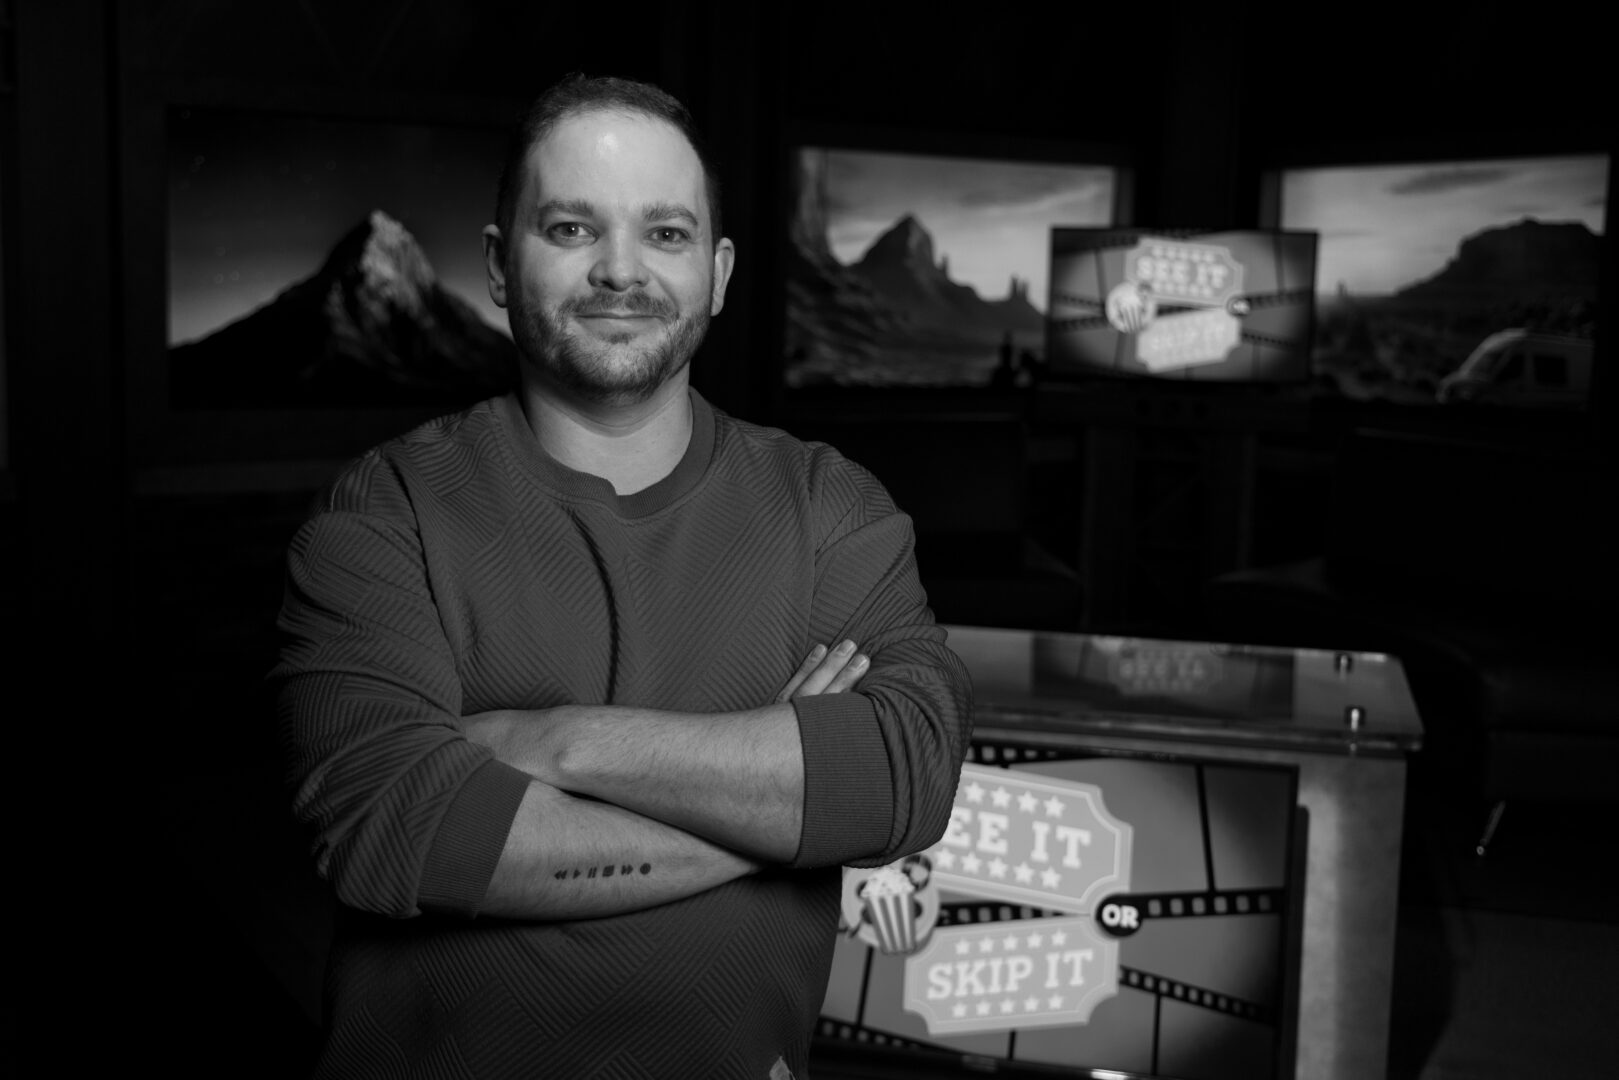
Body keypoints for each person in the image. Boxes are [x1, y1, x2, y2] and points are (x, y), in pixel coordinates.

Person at [270, 73, 973, 1079]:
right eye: (570, 229)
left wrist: (550, 742)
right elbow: (397, 827)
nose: (619, 270)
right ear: (498, 266)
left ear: (717, 274)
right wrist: (790, 813)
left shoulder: (831, 508)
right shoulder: (382, 513)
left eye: (665, 233)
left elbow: (907, 768)